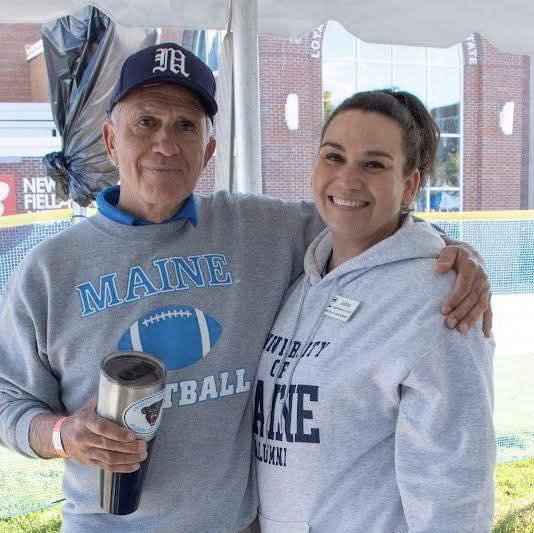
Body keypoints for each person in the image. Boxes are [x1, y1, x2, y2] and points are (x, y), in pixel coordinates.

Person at [0, 44, 490, 533]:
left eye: (186, 126)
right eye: (145, 122)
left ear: (208, 150)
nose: (165, 144)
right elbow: (8, 401)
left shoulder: (261, 229)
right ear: (111, 140)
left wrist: (456, 256)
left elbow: (369, 220)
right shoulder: (50, 269)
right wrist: (62, 434)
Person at [253, 90, 495, 533]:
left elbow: (456, 485)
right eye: (334, 156)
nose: (347, 180)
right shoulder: (303, 283)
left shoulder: (440, 300)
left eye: (374, 164)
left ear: (410, 186)